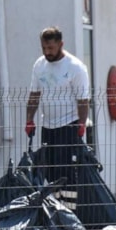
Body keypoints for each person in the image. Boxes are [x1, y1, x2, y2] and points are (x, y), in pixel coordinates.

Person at [25, 27, 90, 207]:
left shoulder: (75, 67)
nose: (47, 52)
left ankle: (70, 210)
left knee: (66, 170)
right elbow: (34, 95)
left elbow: (83, 100)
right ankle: (57, 207)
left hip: (69, 124)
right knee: (50, 170)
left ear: (61, 44)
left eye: (51, 48)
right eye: (44, 48)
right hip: (48, 126)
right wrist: (29, 119)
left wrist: (81, 124)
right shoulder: (39, 65)